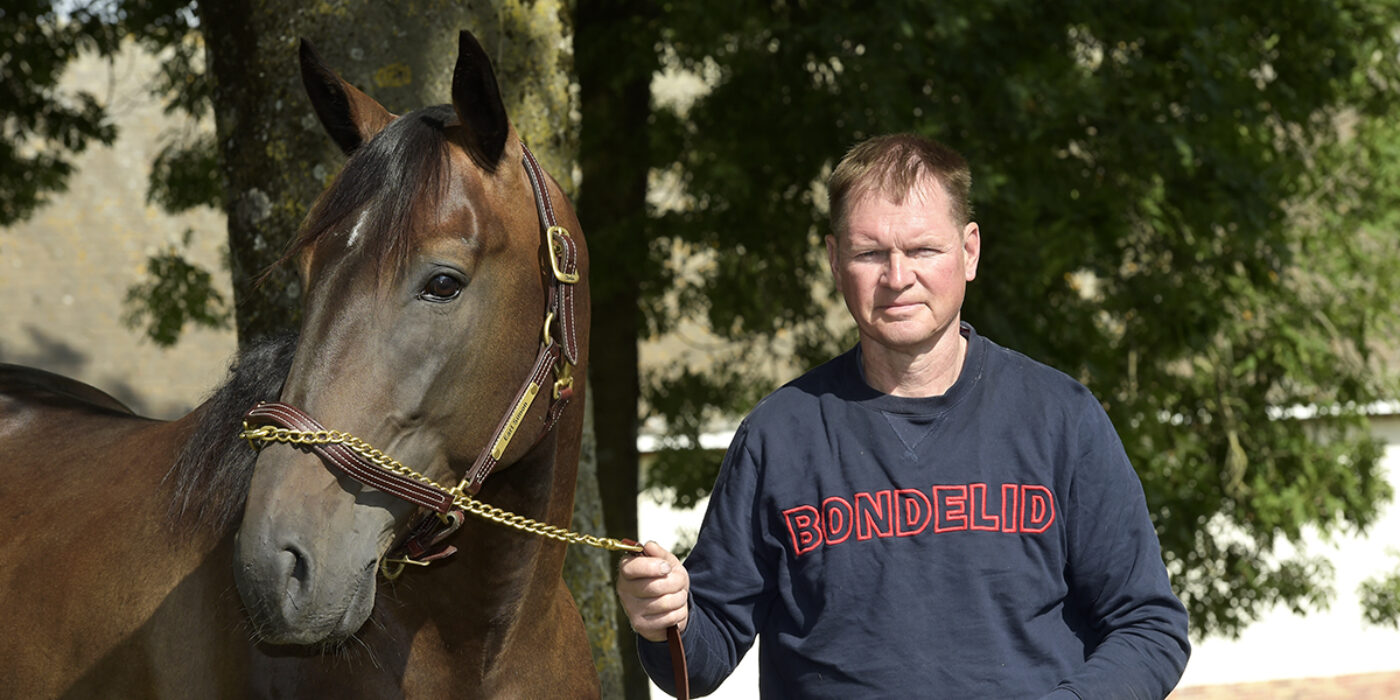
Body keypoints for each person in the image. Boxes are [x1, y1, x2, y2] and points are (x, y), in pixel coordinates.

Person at [617, 132, 1191, 698]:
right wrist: (667, 619)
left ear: (969, 251)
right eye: (870, 253)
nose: (897, 278)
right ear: (834, 259)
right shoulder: (780, 435)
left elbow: (1149, 628)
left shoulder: (1061, 419)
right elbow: (700, 662)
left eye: (922, 250)